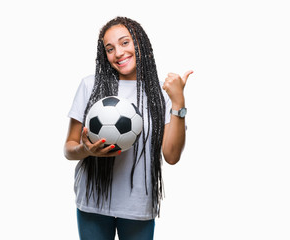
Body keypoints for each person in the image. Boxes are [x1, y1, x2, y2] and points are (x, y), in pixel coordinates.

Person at [64, 16, 193, 240]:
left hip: (137, 205)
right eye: (110, 48)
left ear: (140, 42)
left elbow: (171, 156)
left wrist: (178, 102)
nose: (119, 53)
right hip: (93, 201)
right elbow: (69, 148)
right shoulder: (89, 85)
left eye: (125, 42)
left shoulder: (161, 95)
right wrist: (87, 150)